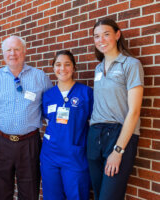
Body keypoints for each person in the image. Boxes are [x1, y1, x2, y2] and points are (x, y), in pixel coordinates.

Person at [0, 35, 53, 200]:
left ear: (24, 51)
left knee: (29, 191)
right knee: (0, 192)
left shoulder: (40, 77)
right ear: (3, 53)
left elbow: (50, 111)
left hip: (29, 143)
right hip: (1, 141)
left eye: (16, 49)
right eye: (8, 50)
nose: (12, 53)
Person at [87, 18, 144, 200]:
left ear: (117, 35)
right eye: (96, 36)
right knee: (98, 195)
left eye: (106, 34)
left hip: (119, 135)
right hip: (95, 134)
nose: (101, 40)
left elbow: (134, 111)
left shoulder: (131, 65)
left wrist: (118, 151)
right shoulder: (97, 68)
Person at [40, 50, 93, 200]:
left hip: (74, 156)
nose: (62, 69)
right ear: (53, 68)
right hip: (50, 156)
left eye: (67, 64)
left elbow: (92, 122)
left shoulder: (85, 93)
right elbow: (48, 121)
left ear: (74, 68)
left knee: (77, 195)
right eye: (58, 65)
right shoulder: (48, 95)